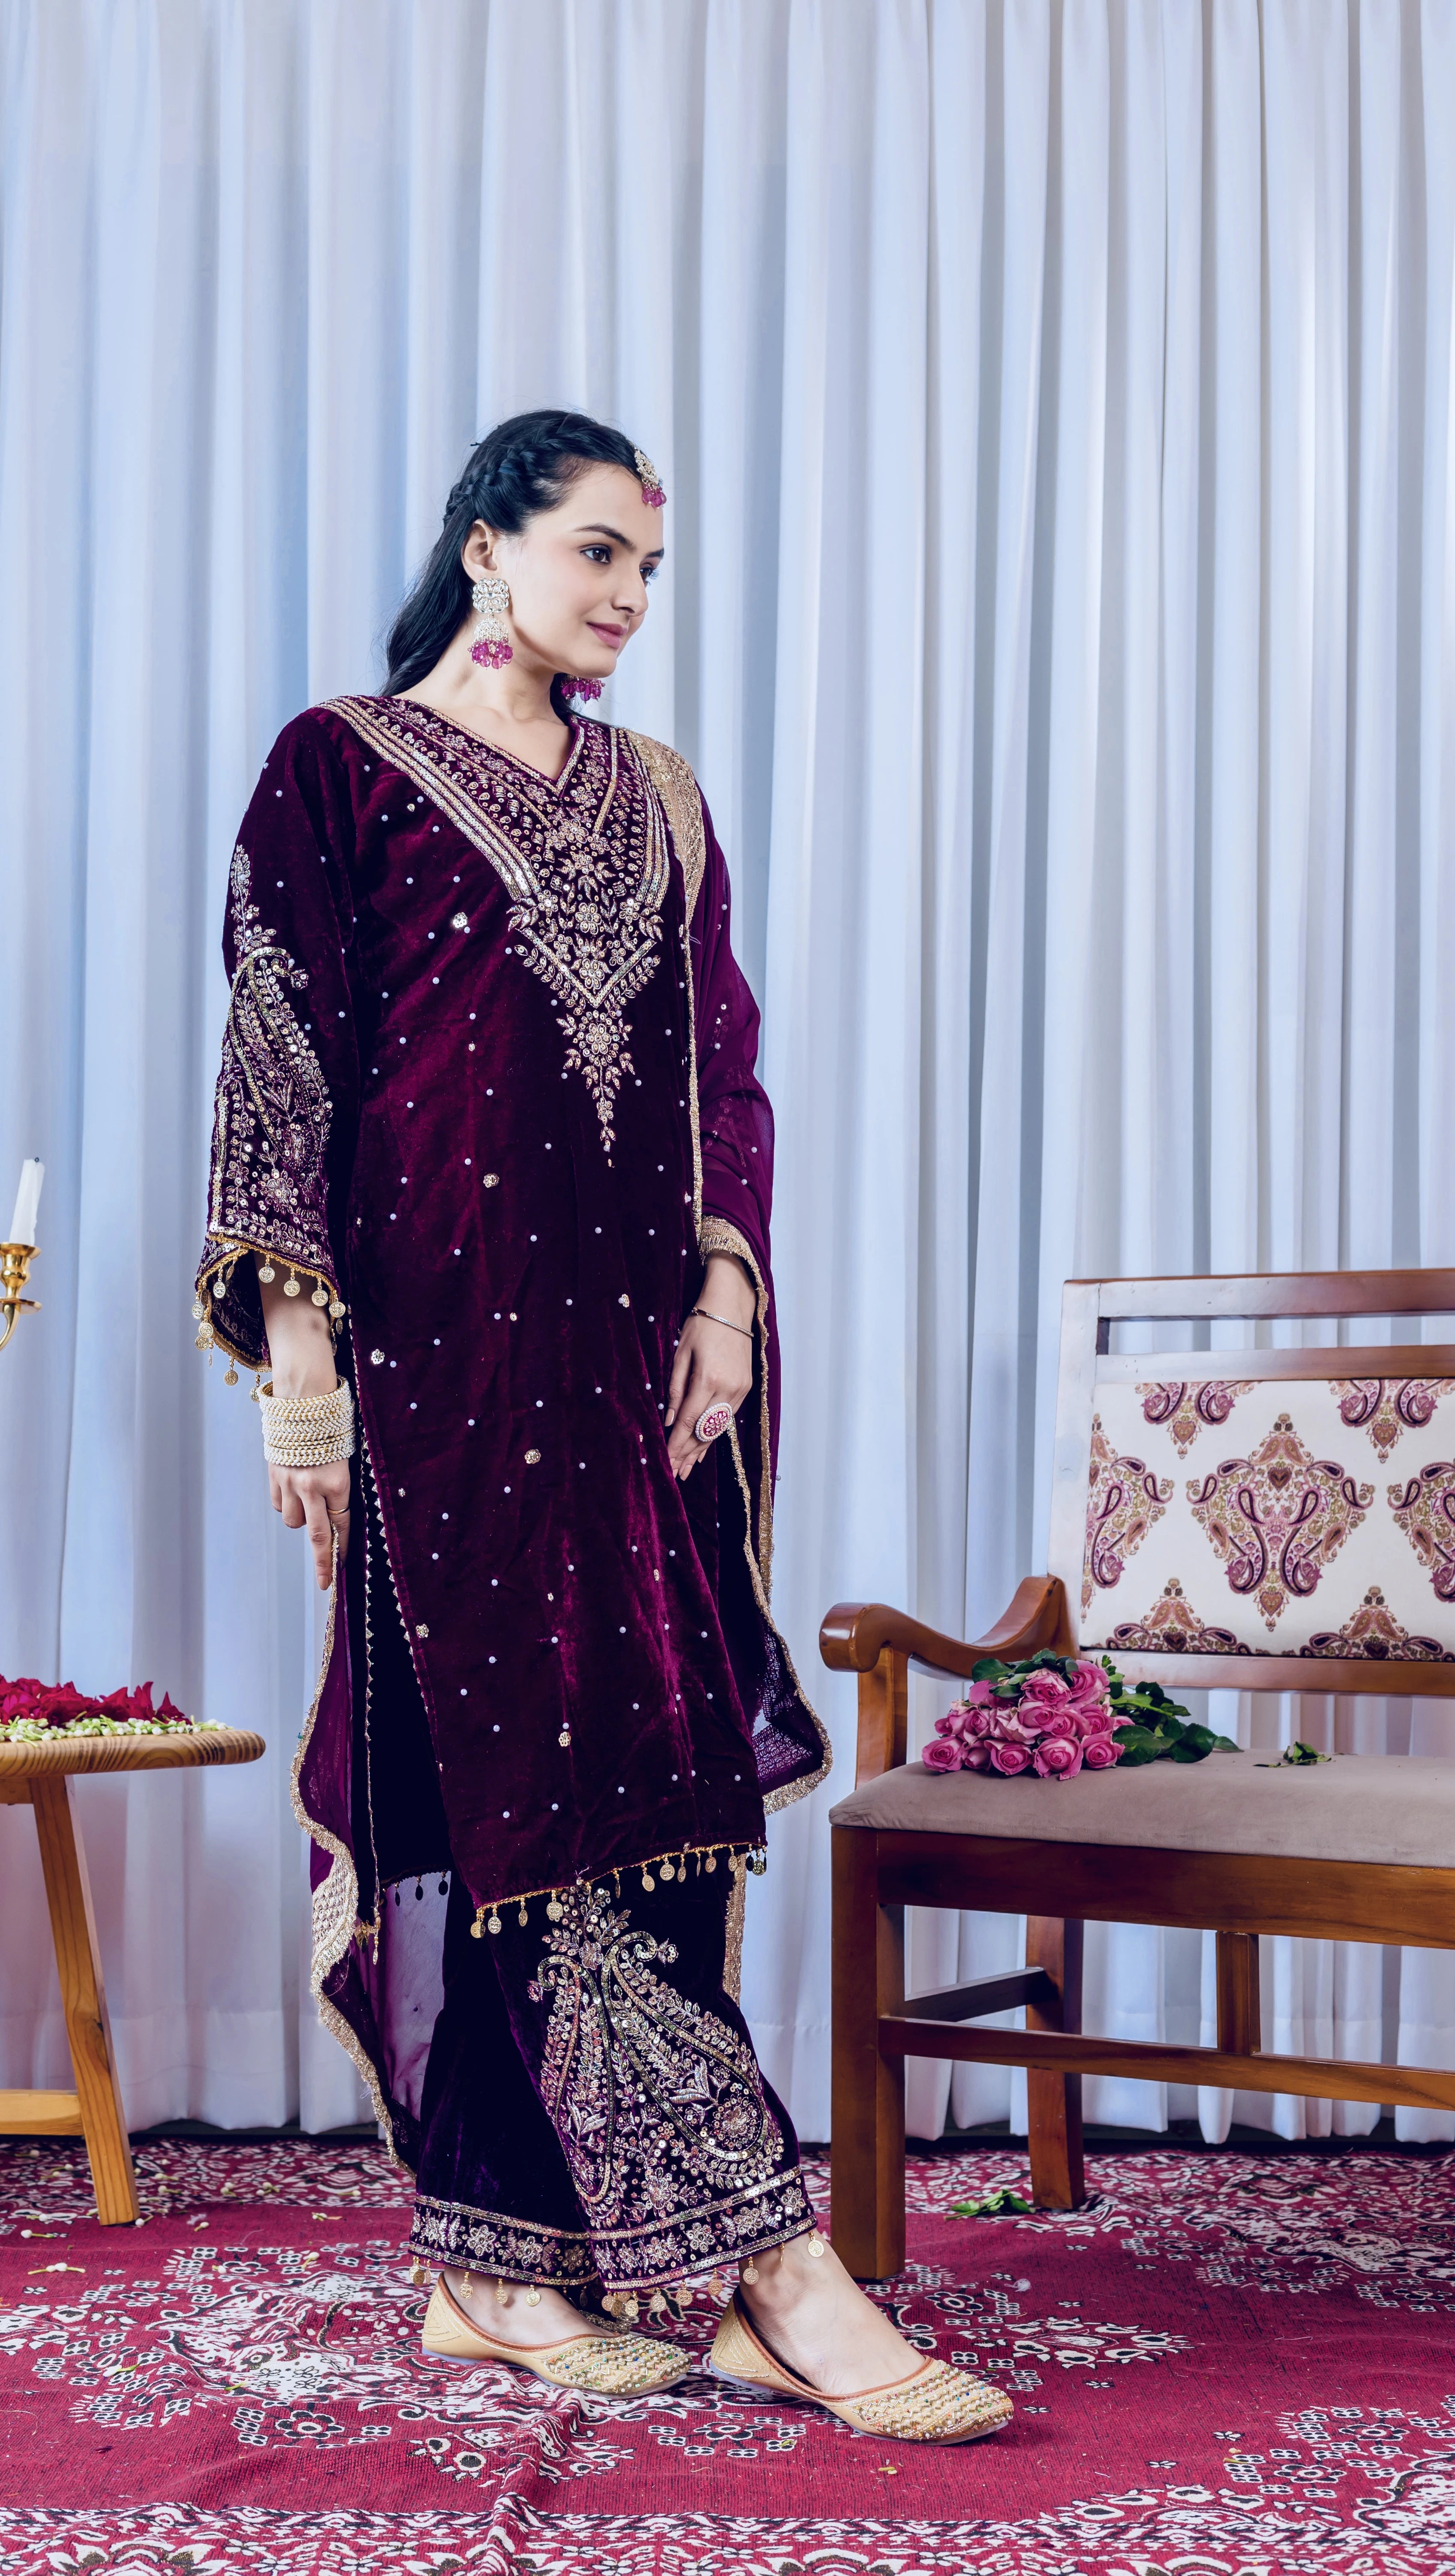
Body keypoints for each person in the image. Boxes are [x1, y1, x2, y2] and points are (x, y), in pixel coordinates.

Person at [196, 410, 1010, 2443]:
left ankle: (652, 2269)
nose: (629, 600)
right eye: (594, 555)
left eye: (648, 569)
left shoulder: (660, 795)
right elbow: (284, 1061)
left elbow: (720, 1065)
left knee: (651, 1787)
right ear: (484, 550)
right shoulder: (340, 765)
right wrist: (299, 1376)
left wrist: (727, 1288)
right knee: (467, 1812)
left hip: (632, 1386)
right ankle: (643, 2268)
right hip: (432, 1384)